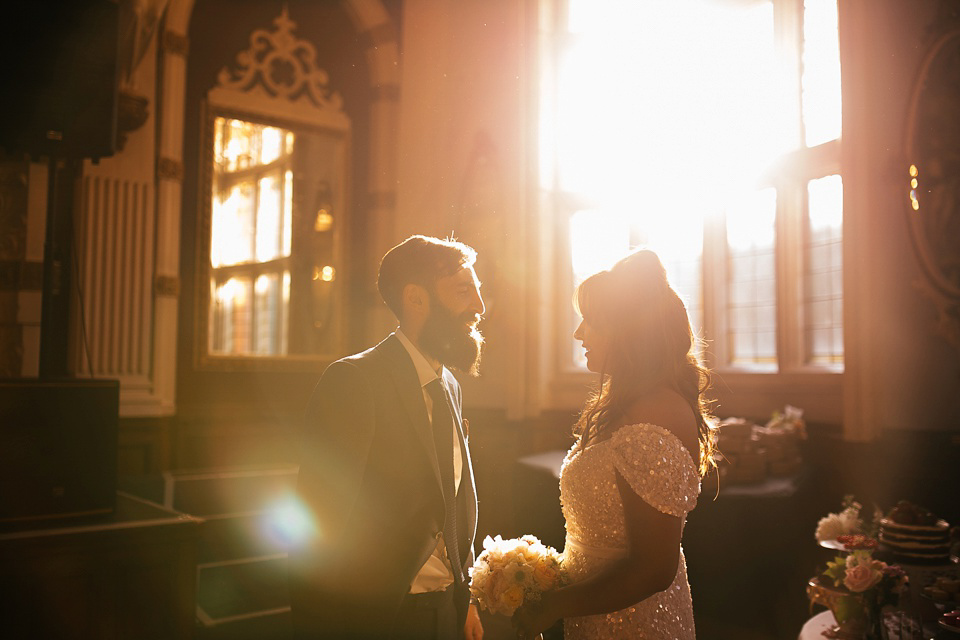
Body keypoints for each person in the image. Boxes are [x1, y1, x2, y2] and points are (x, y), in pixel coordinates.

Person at [290, 235, 486, 640]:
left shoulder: (449, 385)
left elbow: (449, 501)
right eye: (464, 292)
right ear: (415, 299)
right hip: (379, 618)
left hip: (447, 613)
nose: (479, 308)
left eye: (477, 293)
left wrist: (463, 600)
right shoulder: (354, 380)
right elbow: (318, 525)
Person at [513, 249, 715, 640]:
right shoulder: (624, 402)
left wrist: (555, 604)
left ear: (624, 330)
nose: (578, 334)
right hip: (597, 613)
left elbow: (654, 569)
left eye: (588, 321)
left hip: (635, 623)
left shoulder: (655, 411)